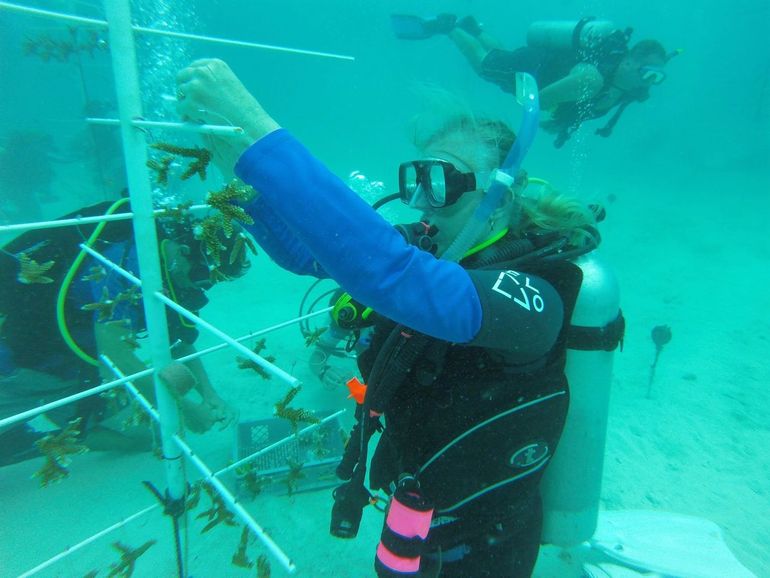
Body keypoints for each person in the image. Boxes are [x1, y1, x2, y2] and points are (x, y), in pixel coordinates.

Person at [174, 58, 619, 577]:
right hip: (416, 509)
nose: (422, 201)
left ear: (499, 195)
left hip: (487, 543)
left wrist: (254, 126)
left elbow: (396, 278)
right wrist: (237, 165)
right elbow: (306, 251)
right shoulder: (434, 248)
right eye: (417, 178)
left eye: (442, 181)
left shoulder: (534, 295)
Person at [0, 198, 245, 466]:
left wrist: (208, 395)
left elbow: (177, 342)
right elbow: (115, 356)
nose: (203, 286)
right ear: (185, 251)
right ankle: (21, 440)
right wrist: (184, 409)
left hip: (76, 372)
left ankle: (44, 438)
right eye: (204, 277)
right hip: (18, 367)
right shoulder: (126, 266)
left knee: (147, 435)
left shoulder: (173, 273)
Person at [392, 14, 674, 147]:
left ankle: (474, 27)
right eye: (647, 72)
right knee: (483, 65)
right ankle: (449, 27)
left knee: (498, 56)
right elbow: (544, 99)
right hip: (533, 70)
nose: (649, 82)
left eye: (657, 77)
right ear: (629, 60)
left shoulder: (623, 88)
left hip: (532, 68)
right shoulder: (592, 78)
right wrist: (549, 114)